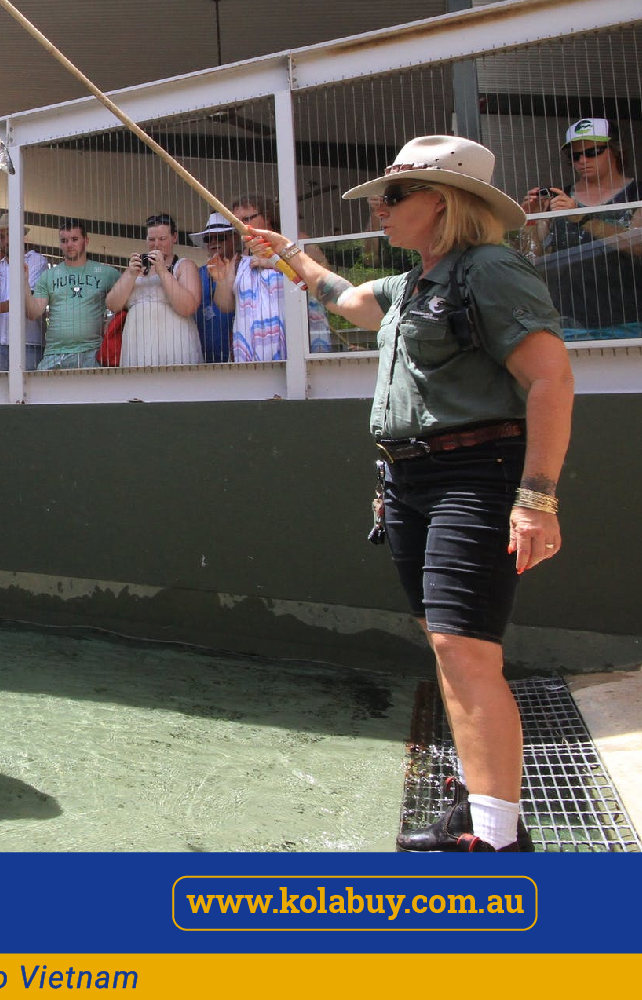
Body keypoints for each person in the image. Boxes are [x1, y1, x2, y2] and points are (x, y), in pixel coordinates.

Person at [246, 135, 574, 853]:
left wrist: (537, 498)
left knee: (464, 648)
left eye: (394, 196)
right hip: (410, 481)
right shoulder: (412, 284)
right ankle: (482, 809)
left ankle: (498, 841)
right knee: (449, 645)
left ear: (444, 202)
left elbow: (551, 379)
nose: (380, 209)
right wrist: (288, 255)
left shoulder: (490, 270)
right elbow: (347, 299)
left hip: (475, 473)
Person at [520, 117, 642, 340]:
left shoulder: (637, 193)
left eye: (593, 152)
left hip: (630, 317)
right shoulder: (559, 199)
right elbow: (534, 259)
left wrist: (583, 219)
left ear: (616, 151)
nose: (583, 161)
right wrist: (531, 219)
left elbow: (637, 245)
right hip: (570, 320)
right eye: (575, 156)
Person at [107, 213, 203, 366]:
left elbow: (188, 307)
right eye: (151, 239)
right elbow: (112, 304)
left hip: (174, 343)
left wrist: (163, 272)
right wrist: (130, 274)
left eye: (162, 239)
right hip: (137, 345)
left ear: (174, 237)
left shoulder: (184, 266)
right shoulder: (136, 269)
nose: (156, 244)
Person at [25, 218, 120, 370]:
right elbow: (33, 313)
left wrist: (110, 323)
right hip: (54, 354)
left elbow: (126, 301)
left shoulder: (106, 273)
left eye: (74, 239)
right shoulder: (48, 276)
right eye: (64, 241)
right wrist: (24, 282)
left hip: (92, 353)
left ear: (86, 241)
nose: (69, 245)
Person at [212, 195, 287, 362]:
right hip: (247, 348)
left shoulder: (288, 249)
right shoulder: (238, 260)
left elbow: (313, 280)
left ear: (267, 217)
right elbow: (225, 306)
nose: (242, 226)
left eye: (246, 219)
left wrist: (275, 263)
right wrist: (222, 280)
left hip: (287, 344)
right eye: (237, 222)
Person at [0, 212, 47, 372]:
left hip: (28, 343)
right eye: (2, 237)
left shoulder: (36, 261)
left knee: (28, 388)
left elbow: (26, 300)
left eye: (10, 235)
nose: (6, 241)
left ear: (21, 236)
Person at [189, 212, 236, 363]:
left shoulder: (242, 270)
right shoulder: (197, 274)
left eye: (220, 237)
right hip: (201, 357)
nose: (214, 242)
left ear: (233, 238)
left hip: (237, 356)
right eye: (208, 239)